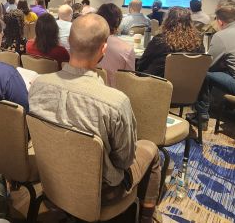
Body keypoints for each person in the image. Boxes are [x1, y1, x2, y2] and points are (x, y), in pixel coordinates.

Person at [29, 14, 161, 222]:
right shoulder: (116, 102)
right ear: (103, 49)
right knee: (151, 151)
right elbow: (125, 160)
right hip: (103, 194)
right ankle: (146, 218)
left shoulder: (37, 86)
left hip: (52, 179)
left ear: (69, 43)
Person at [138, 7, 205, 77]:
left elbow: (142, 64)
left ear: (167, 21)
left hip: (157, 83)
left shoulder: (160, 40)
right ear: (190, 22)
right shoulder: (198, 42)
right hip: (189, 84)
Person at [96, 3, 135, 87]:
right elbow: (129, 80)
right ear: (118, 22)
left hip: (87, 89)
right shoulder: (127, 49)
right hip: (114, 93)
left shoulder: (83, 43)